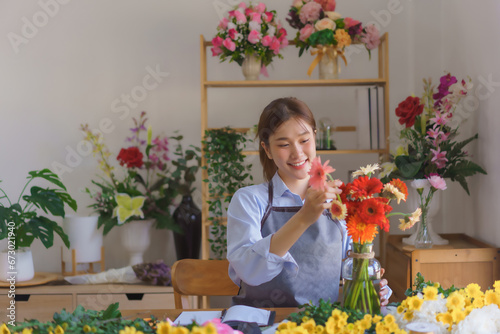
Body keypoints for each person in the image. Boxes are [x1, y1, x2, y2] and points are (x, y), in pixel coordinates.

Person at [226, 97, 391, 308]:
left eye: (304, 140)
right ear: (267, 150)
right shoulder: (249, 200)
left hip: (322, 324)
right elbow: (249, 271)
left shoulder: (339, 202)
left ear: (315, 137)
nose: (297, 152)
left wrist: (375, 287)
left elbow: (353, 266)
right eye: (284, 144)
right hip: (262, 324)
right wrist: (304, 217)